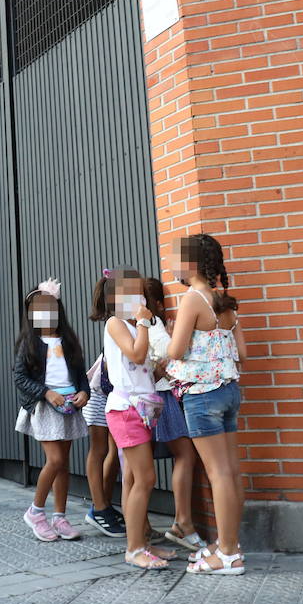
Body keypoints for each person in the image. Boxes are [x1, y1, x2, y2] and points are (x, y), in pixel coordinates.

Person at [167, 233, 246, 576]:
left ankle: (228, 555)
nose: (172, 264)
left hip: (202, 395)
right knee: (229, 471)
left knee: (218, 474)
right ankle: (228, 543)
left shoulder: (192, 299)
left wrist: (172, 332)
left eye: (176, 258)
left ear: (191, 263)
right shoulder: (223, 300)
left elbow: (175, 351)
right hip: (229, 391)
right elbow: (244, 353)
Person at [102, 269, 171, 569]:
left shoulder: (131, 326)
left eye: (141, 291)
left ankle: (142, 542)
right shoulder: (115, 323)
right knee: (145, 478)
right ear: (117, 299)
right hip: (125, 410)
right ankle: (133, 549)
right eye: (134, 292)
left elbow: (145, 369)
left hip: (141, 408)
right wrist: (145, 322)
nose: (141, 298)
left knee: (134, 479)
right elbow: (136, 354)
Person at [13, 278, 89, 542]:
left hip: (70, 406)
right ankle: (36, 512)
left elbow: (80, 373)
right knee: (55, 460)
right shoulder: (29, 343)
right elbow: (20, 378)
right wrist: (46, 393)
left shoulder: (67, 340)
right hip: (45, 407)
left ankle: (59, 517)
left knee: (63, 464)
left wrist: (84, 392)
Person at [145, 276, 205, 552]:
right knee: (185, 455)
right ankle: (183, 523)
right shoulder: (154, 324)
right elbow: (167, 358)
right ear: (157, 303)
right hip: (164, 396)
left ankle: (153, 527)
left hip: (149, 398)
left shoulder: (136, 325)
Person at [83, 270, 127, 538]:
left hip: (113, 396)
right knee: (99, 450)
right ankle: (98, 508)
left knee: (114, 453)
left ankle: (106, 505)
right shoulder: (114, 323)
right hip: (101, 395)